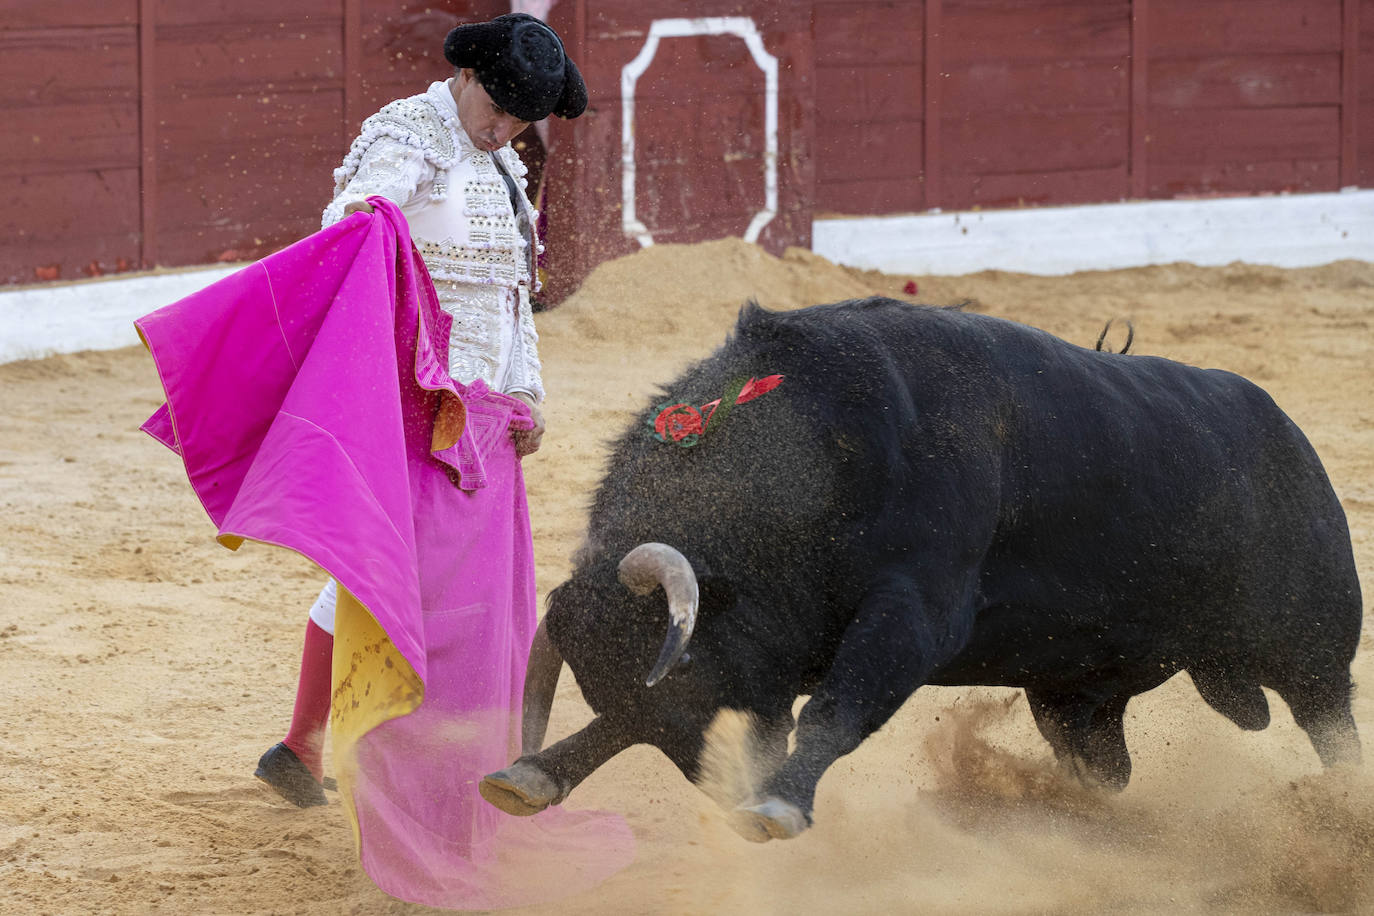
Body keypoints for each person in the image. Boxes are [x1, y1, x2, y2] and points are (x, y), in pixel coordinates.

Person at [254, 11, 586, 808]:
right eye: (495, 108)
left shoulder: (502, 167)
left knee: (411, 577)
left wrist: (526, 391)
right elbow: (354, 219)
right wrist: (370, 213)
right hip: (413, 406)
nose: (502, 130)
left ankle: (308, 747)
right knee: (399, 576)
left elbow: (511, 299)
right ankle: (351, 754)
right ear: (465, 76)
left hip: (482, 420)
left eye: (519, 120)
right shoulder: (409, 133)